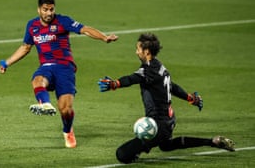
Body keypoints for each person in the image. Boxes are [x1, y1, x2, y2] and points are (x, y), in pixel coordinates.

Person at [0, 0, 118, 148]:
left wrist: (104, 37)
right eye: (45, 10)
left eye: (51, 9)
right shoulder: (32, 25)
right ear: (39, 10)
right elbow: (26, 47)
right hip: (46, 66)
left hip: (65, 67)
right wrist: (6, 62)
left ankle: (68, 131)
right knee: (37, 80)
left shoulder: (63, 21)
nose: (49, 13)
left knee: (66, 109)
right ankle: (46, 104)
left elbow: (85, 29)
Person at [98, 33, 235, 164]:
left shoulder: (147, 70)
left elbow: (131, 79)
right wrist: (190, 98)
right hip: (169, 121)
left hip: (157, 125)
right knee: (166, 145)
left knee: (122, 155)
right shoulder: (161, 67)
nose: (136, 52)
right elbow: (172, 86)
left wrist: (114, 84)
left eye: (138, 49)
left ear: (146, 52)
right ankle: (212, 141)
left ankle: (137, 151)